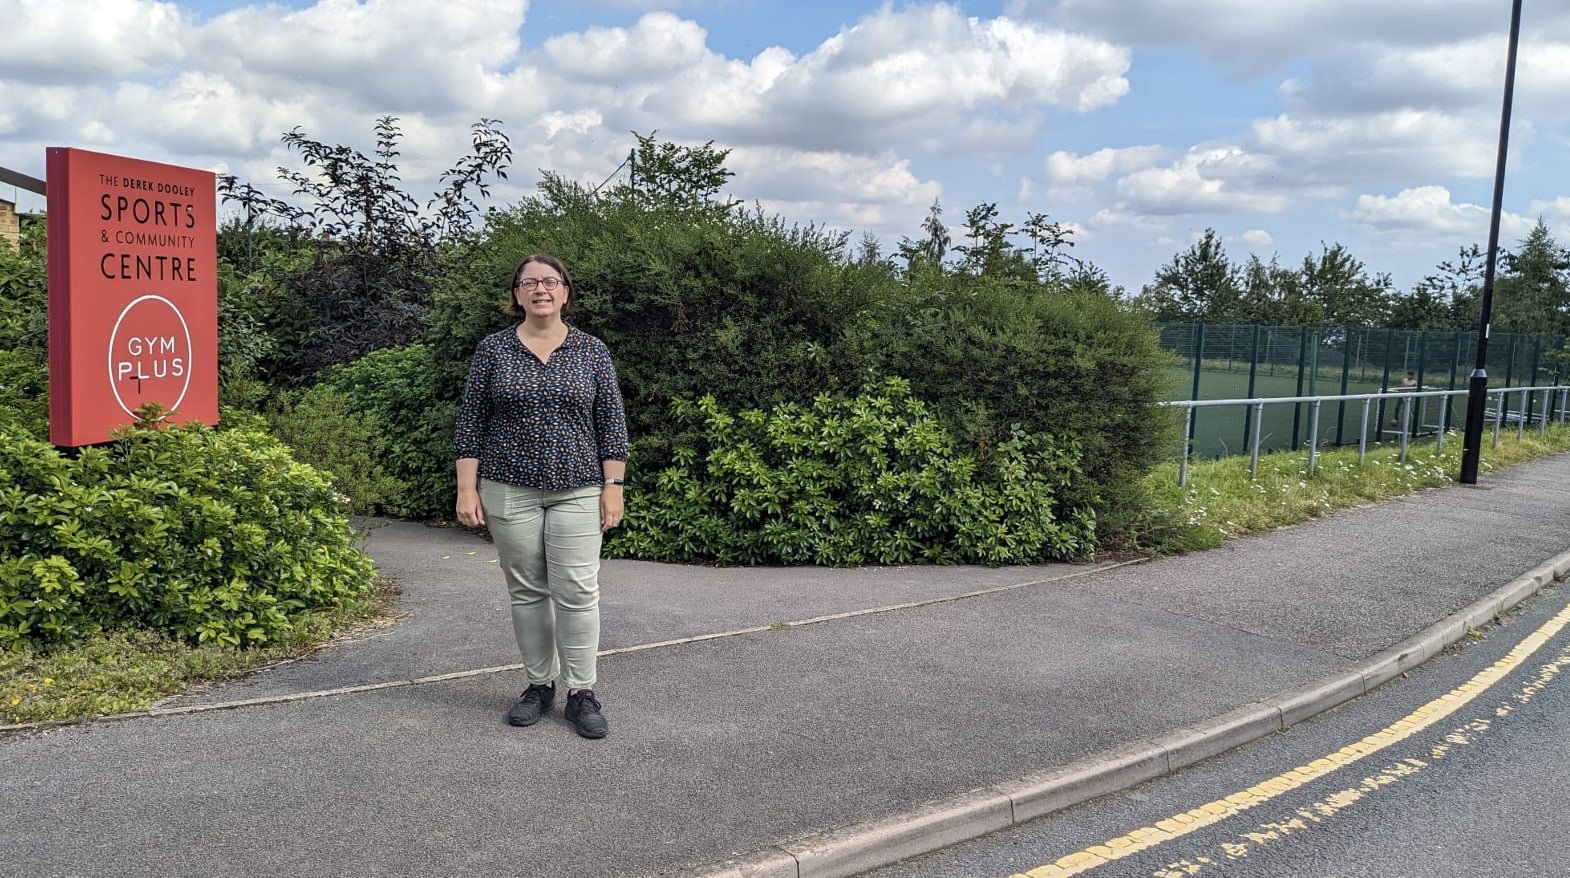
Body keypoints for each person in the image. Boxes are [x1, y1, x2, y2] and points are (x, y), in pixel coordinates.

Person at [454, 254, 629, 739]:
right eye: (529, 282)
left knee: (577, 591)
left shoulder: (591, 350)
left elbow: (611, 424)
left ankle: (581, 692)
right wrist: (466, 487)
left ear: (565, 292)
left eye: (551, 281)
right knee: (527, 591)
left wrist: (613, 487)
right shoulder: (493, 350)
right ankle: (538, 685)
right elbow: (471, 422)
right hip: (508, 488)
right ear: (517, 294)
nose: (540, 289)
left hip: (579, 489)